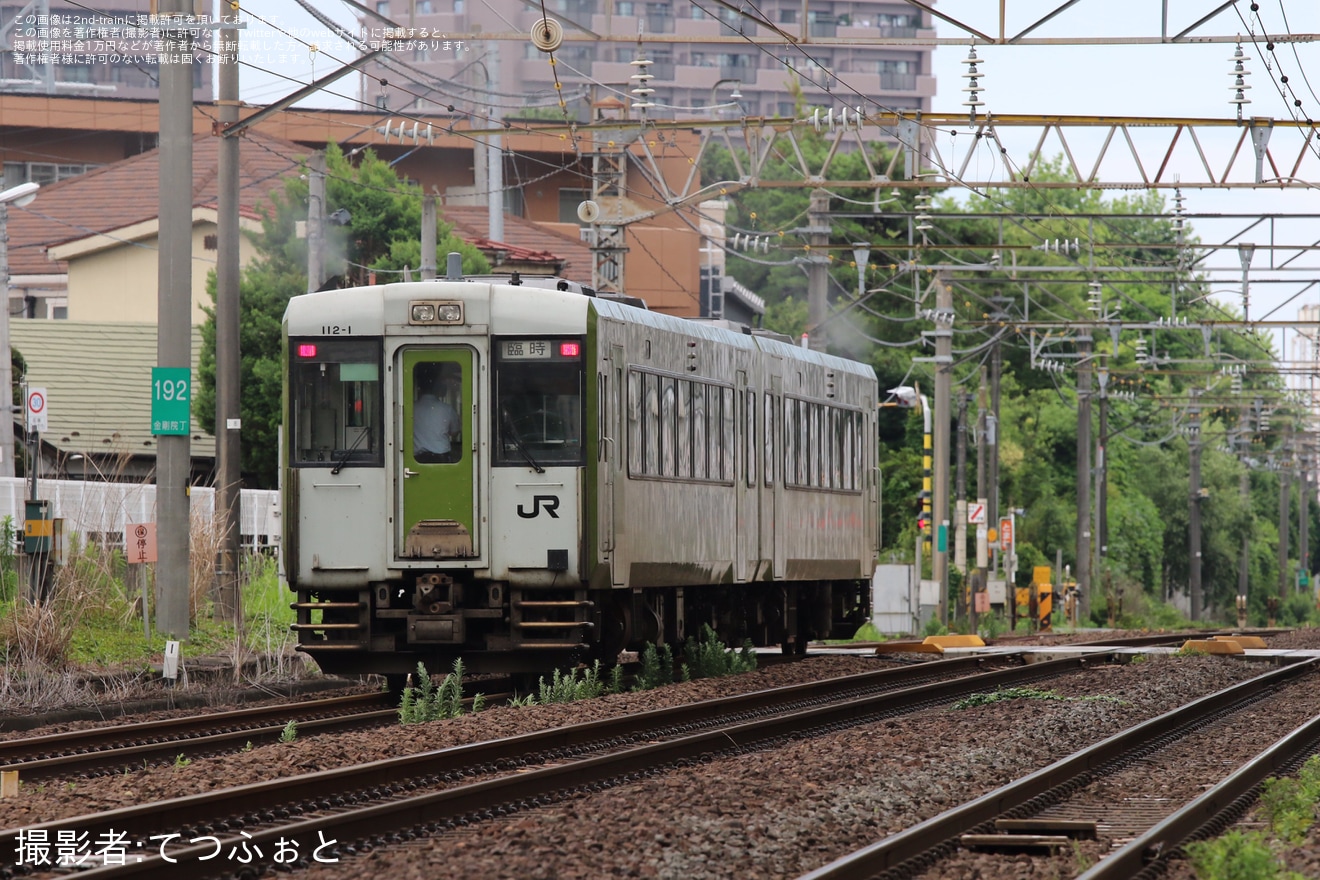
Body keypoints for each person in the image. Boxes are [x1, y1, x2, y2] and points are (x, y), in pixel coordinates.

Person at [413, 368, 461, 462]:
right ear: (439, 390)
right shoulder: (447, 409)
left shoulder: (411, 408)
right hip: (441, 458)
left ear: (419, 389)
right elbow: (454, 432)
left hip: (416, 459)